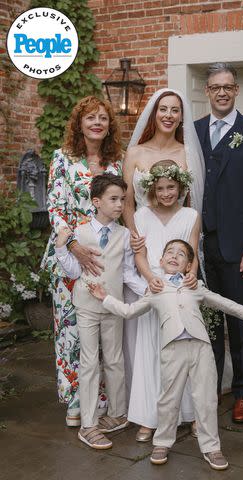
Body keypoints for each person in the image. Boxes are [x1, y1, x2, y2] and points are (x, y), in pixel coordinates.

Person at [88, 239, 243, 470]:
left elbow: (222, 303)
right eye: (169, 253)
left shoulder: (195, 286)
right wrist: (105, 298)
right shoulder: (155, 289)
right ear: (161, 261)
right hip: (172, 350)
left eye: (181, 254)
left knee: (206, 399)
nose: (174, 256)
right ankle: (162, 442)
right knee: (168, 399)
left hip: (200, 348)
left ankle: (212, 448)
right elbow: (129, 311)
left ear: (188, 265)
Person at [122, 88, 205, 441]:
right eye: (163, 109)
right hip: (145, 242)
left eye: (175, 110)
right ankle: (146, 413)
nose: (168, 115)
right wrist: (135, 236)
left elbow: (194, 209)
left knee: (181, 338)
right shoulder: (136, 152)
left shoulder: (188, 153)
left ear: (181, 116)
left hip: (179, 248)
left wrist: (193, 264)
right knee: (145, 340)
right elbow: (127, 201)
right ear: (153, 114)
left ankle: (185, 410)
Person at [195, 62, 243, 423]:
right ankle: (213, 383)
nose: (222, 92)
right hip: (199, 246)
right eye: (215, 87)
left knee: (240, 321)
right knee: (207, 320)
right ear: (208, 91)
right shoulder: (193, 131)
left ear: (236, 90)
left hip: (237, 247)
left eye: (228, 86)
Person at [41, 96, 123, 427]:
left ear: (109, 126)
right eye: (90, 117)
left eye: (103, 118)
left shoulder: (116, 161)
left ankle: (101, 398)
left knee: (104, 327)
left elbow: (123, 207)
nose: (97, 123)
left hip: (106, 256)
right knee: (71, 330)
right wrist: (73, 245)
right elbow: (56, 206)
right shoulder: (62, 159)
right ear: (80, 123)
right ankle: (74, 399)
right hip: (70, 255)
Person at [54, 174, 146, 449]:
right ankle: (89, 424)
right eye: (114, 200)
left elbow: (128, 274)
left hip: (113, 305)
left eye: (122, 200)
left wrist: (151, 291)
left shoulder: (123, 235)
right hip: (87, 306)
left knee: (116, 360)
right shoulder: (79, 234)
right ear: (96, 202)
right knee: (90, 362)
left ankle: (117, 414)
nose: (120, 205)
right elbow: (72, 270)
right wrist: (61, 248)